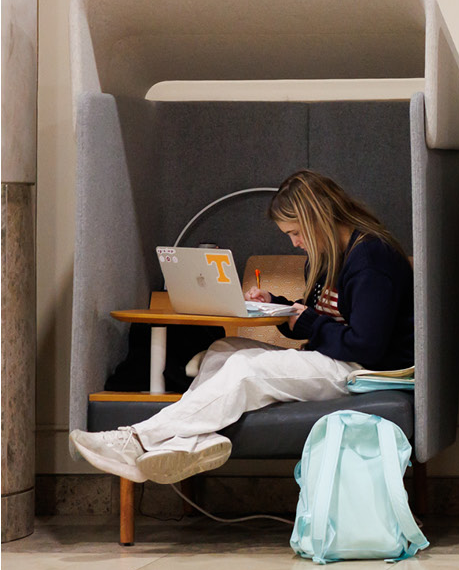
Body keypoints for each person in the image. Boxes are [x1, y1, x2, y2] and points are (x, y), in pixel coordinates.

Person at [71, 170, 414, 485]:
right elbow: (325, 318)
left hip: (365, 372)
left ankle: (137, 439)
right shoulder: (331, 255)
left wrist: (308, 322)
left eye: (296, 233)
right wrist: (278, 304)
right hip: (339, 359)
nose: (294, 243)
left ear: (316, 220)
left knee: (244, 369)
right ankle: (197, 443)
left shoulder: (370, 259)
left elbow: (366, 345)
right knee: (224, 350)